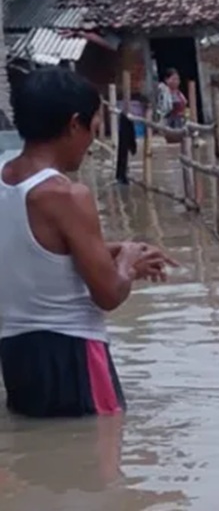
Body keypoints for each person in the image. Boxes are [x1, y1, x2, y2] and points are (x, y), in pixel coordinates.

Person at [0, 67, 177, 418]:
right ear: (74, 124)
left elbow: (34, 251)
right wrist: (126, 261)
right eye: (93, 130)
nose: (91, 142)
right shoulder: (67, 195)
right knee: (101, 460)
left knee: (44, 461)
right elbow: (109, 294)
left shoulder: (5, 176)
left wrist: (108, 249)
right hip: (74, 352)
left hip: (17, 356)